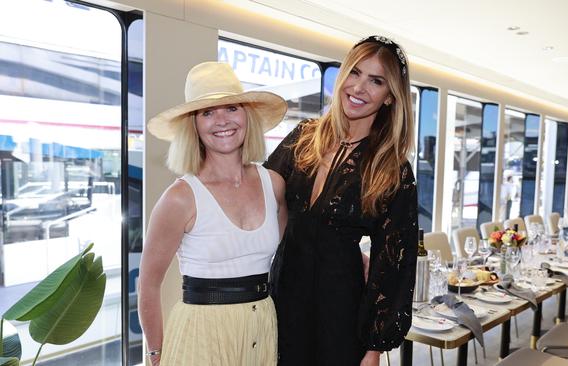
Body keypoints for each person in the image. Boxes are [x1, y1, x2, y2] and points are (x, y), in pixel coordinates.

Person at [263, 35, 418, 366]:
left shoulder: (392, 168)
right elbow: (260, 197)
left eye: (376, 81)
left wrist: (373, 348)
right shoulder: (303, 138)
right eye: (355, 73)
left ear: (390, 97)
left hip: (341, 312)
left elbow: (392, 265)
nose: (359, 88)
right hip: (283, 300)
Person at [138, 62, 288, 366]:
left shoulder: (273, 184)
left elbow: (292, 250)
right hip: (201, 334)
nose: (221, 120)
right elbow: (148, 283)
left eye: (231, 108)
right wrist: (156, 354)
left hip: (262, 327)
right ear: (193, 126)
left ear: (247, 115)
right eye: (207, 112)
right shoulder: (180, 198)